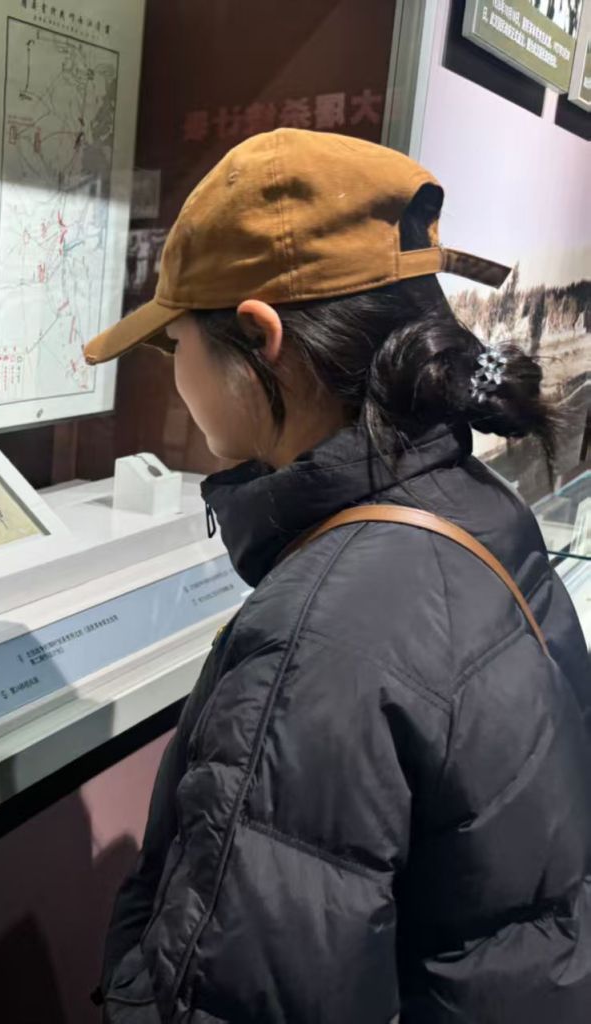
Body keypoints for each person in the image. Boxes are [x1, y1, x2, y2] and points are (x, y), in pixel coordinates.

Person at [85, 129, 591, 1022]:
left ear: (259, 337)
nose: (176, 375)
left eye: (175, 343)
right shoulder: (476, 508)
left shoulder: (321, 641)